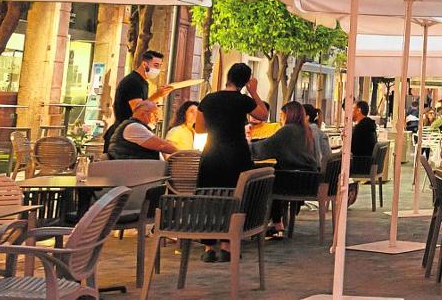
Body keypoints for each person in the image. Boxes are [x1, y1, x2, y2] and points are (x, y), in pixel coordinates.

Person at [194, 63, 267, 263]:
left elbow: (199, 129)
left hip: (212, 153)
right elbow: (263, 114)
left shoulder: (208, 99)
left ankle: (209, 246)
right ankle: (227, 245)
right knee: (234, 198)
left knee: (209, 198)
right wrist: (254, 92)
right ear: (245, 81)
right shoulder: (242, 100)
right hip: (237, 154)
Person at [253, 101, 320, 238]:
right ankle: (277, 224)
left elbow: (264, 148)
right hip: (308, 179)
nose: (280, 120)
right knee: (273, 171)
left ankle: (257, 223)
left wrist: (241, 146)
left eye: (282, 116)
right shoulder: (306, 130)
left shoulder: (288, 131)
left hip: (293, 182)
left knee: (263, 178)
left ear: (289, 116)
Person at [104, 50, 173, 152]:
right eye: (155, 65)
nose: (158, 69)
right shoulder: (133, 82)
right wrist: (157, 95)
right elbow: (138, 110)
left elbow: (143, 106)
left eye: (159, 66)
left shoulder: (143, 83)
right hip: (123, 136)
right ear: (145, 64)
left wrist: (157, 97)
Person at [108, 100, 179, 160]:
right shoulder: (134, 127)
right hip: (134, 171)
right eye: (155, 114)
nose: (158, 119)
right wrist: (183, 153)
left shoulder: (136, 126)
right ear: (143, 113)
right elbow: (162, 145)